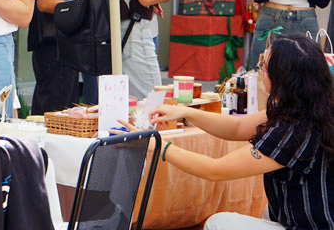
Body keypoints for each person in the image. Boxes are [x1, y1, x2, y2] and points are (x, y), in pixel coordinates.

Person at [126, 34, 334, 229]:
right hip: (307, 217)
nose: (260, 71)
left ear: (282, 78)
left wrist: (159, 146)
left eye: (263, 66)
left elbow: (215, 170)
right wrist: (184, 112)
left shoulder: (293, 132)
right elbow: (238, 127)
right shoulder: (311, 106)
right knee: (266, 212)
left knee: (218, 223)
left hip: (309, 224)